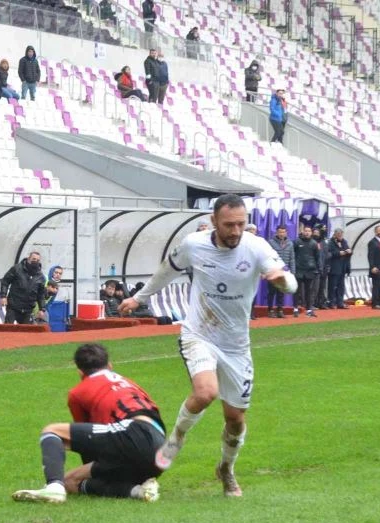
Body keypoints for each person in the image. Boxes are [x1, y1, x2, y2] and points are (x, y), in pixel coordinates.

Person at [117, 194, 297, 497]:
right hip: (198, 334)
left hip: (237, 345)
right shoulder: (193, 244)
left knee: (235, 420)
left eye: (241, 224)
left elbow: (289, 281)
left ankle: (226, 469)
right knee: (205, 392)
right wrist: (140, 298)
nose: (236, 231)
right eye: (229, 225)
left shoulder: (256, 247)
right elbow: (167, 269)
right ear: (214, 221)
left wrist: (281, 281)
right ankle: (175, 439)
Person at [12, 343, 165, 504]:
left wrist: (95, 470)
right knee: (70, 482)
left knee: (52, 431)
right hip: (160, 452)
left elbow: (88, 445)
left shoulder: (78, 393)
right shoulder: (130, 383)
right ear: (110, 365)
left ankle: (53, 488)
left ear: (80, 371)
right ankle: (139, 491)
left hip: (133, 433)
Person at [0, 251, 47, 324]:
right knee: (8, 330)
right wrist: (3, 296)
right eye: (33, 259)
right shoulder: (17, 269)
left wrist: (42, 309)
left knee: (26, 333)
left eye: (37, 260)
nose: (35, 261)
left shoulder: (41, 277)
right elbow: (5, 281)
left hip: (28, 309)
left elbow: (41, 295)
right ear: (28, 259)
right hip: (13, 307)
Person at [267, 224, 294, 318]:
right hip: (273, 272)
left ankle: (280, 310)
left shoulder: (290, 243)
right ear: (277, 232)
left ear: (286, 232)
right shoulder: (270, 242)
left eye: (283, 232)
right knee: (271, 292)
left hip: (284, 272)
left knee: (281, 292)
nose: (282, 234)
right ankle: (270, 310)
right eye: (280, 232)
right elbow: (267, 257)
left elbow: (292, 258)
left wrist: (292, 272)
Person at [293, 224, 320, 318]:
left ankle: (309, 310)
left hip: (310, 270)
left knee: (309, 291)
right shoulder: (296, 242)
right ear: (303, 232)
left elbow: (317, 257)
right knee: (297, 290)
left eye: (309, 231)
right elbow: (293, 255)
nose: (307, 233)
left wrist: (317, 268)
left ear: (311, 233)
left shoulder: (314, 243)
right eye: (306, 231)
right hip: (299, 269)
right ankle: (295, 309)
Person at [327, 228, 351, 309]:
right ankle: (331, 302)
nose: (340, 236)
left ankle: (340, 302)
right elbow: (329, 254)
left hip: (343, 267)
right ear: (335, 234)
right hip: (334, 268)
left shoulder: (344, 241)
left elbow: (348, 250)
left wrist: (349, 251)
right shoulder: (330, 242)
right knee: (332, 286)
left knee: (341, 286)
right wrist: (338, 253)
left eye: (341, 234)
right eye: (339, 234)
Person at [367, 225, 380, 309]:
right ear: (375, 232)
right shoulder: (372, 242)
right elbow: (370, 256)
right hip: (376, 268)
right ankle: (375, 303)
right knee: (376, 286)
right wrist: (372, 267)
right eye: (379, 231)